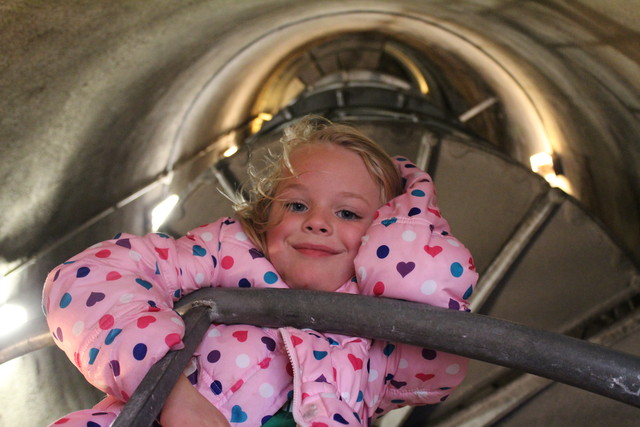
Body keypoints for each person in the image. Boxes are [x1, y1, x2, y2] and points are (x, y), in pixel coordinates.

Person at [43, 116, 478, 426]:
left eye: (347, 212)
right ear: (266, 215)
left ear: (383, 235)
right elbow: (85, 279)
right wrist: (169, 393)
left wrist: (412, 217)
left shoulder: (381, 345)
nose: (318, 222)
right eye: (296, 205)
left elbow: (442, 355)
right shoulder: (222, 256)